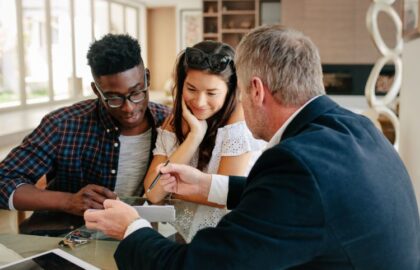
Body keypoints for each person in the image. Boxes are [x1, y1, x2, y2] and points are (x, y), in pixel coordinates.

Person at [84, 25, 420, 269]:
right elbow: (302, 200)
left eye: (240, 91)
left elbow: (197, 267)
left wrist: (131, 227)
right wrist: (208, 185)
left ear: (256, 90)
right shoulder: (355, 127)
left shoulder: (295, 163)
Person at [0, 34, 170, 221]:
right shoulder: (63, 124)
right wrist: (68, 201)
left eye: (136, 92)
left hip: (138, 235)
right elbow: (4, 181)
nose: (129, 108)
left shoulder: (169, 123)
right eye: (113, 98)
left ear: (147, 78)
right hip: (65, 234)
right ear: (97, 90)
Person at [143, 40, 265, 241]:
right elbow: (153, 193)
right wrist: (194, 137)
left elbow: (222, 195)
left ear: (230, 91)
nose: (199, 102)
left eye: (211, 93)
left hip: (230, 237)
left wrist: (171, 191)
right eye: (191, 89)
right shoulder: (175, 121)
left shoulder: (239, 122)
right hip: (186, 234)